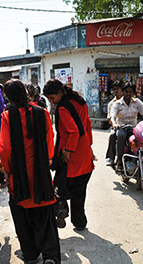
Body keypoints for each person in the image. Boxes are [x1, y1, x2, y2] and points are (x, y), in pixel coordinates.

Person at [0, 80, 60, 264]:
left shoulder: (8, 116)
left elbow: (5, 148)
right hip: (41, 176)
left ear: (8, 97)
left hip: (20, 178)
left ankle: (31, 253)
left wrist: (7, 170)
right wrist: (47, 160)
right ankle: (50, 257)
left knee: (21, 215)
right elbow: (49, 142)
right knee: (45, 215)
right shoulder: (41, 112)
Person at [42, 79, 95, 231]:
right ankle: (80, 222)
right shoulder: (80, 101)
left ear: (60, 93)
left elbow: (73, 131)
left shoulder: (63, 108)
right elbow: (87, 126)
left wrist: (68, 150)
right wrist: (89, 147)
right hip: (83, 152)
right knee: (79, 192)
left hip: (70, 156)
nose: (52, 102)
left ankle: (61, 209)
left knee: (60, 186)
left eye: (52, 98)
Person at [109, 82, 143, 172]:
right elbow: (112, 116)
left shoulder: (137, 102)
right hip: (122, 128)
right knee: (121, 136)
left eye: (130, 92)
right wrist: (114, 124)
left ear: (133, 93)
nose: (128, 94)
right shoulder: (117, 104)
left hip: (134, 128)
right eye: (126, 91)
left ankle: (142, 157)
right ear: (123, 92)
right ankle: (120, 162)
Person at [105, 80, 123, 167]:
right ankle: (110, 157)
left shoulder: (130, 100)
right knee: (112, 136)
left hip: (130, 126)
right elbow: (110, 117)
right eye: (114, 89)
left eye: (117, 89)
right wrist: (114, 124)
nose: (115, 91)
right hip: (117, 127)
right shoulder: (111, 103)